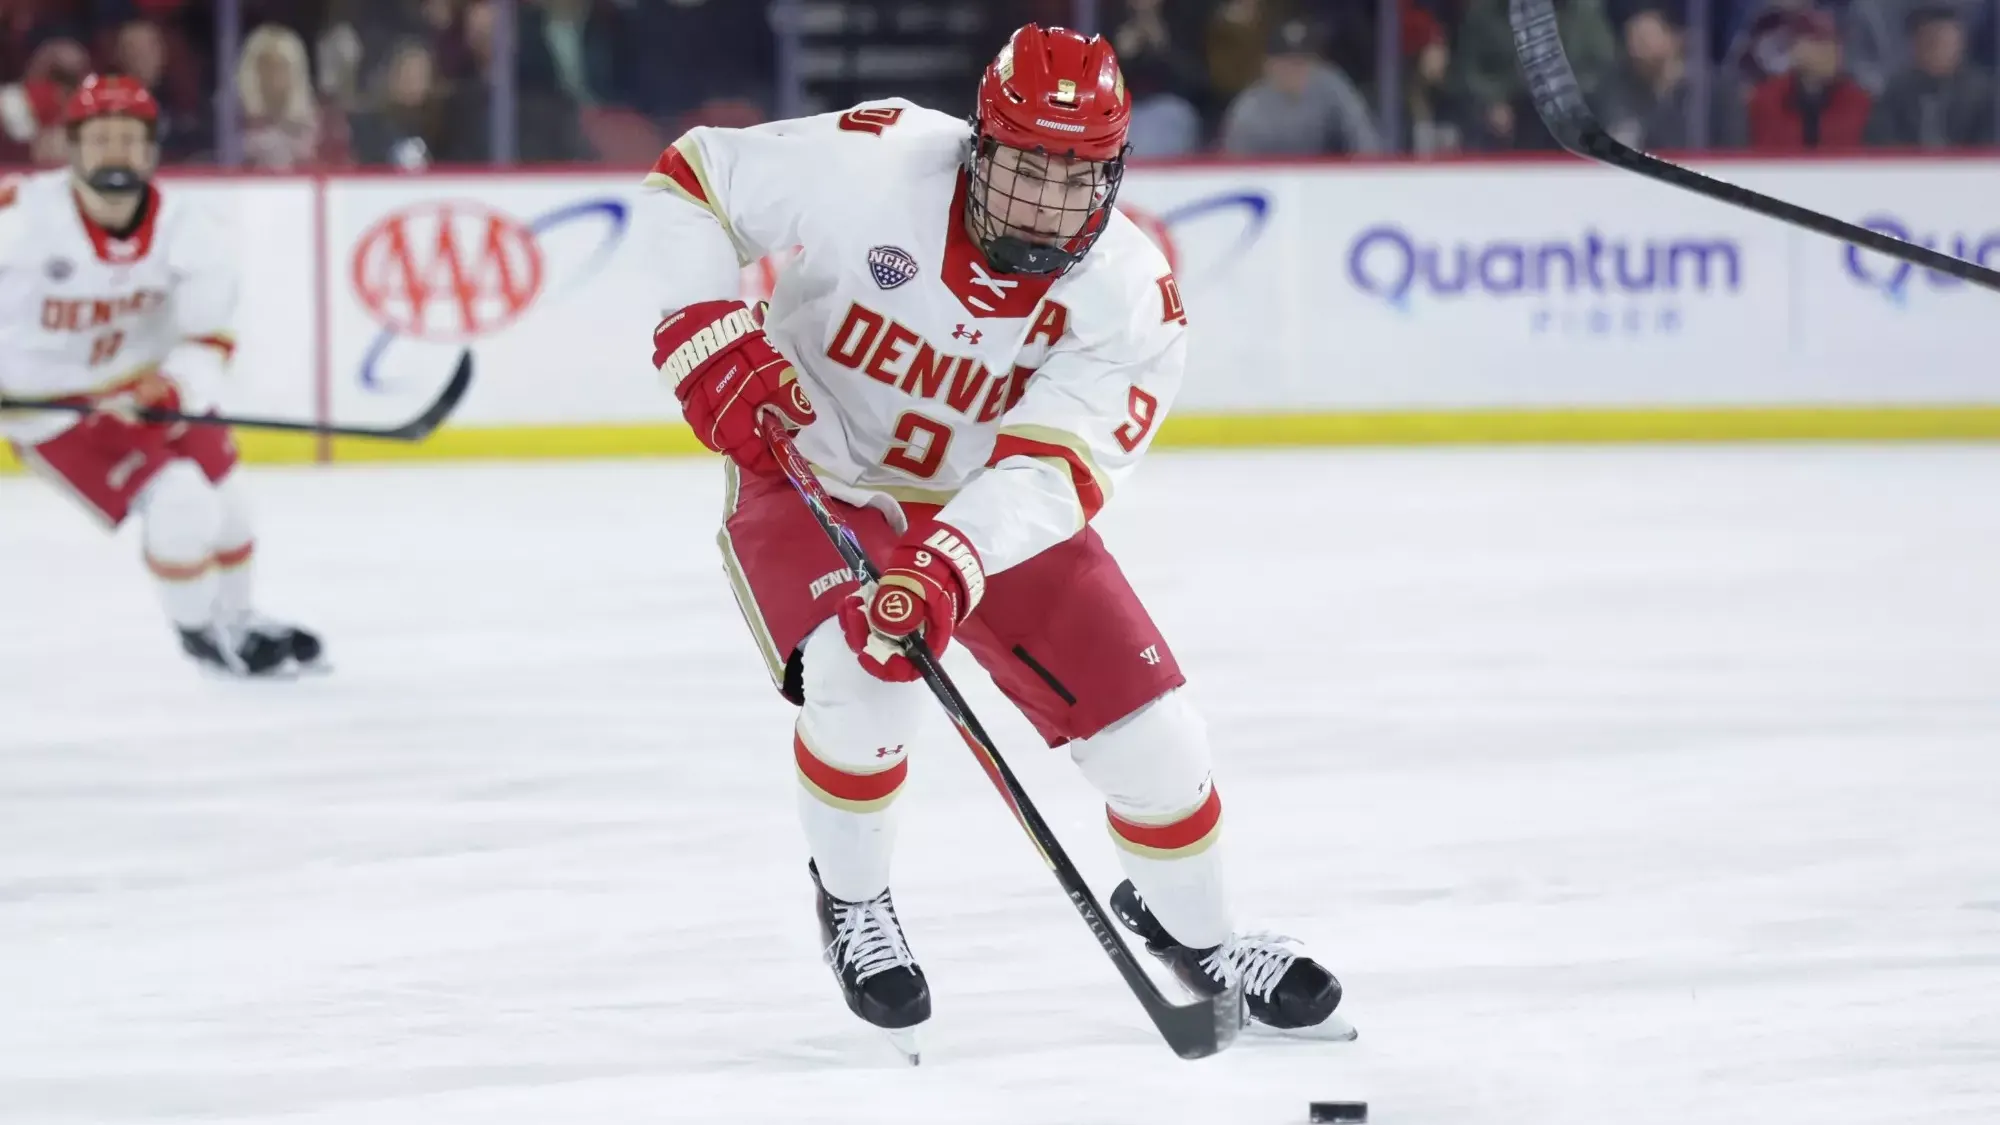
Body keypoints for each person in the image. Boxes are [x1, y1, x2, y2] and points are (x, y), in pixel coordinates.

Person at [636, 24, 1349, 1059]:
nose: (1047, 204)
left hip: (990, 505)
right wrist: (705, 328)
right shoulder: (877, 160)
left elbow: (1051, 471)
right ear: (979, 145)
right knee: (861, 678)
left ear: (1114, 174)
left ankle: (1201, 940)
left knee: (1159, 744)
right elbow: (693, 177)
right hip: (818, 468)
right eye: (1026, 169)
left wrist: (948, 559)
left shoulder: (1131, 296)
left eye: (1077, 178)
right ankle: (854, 900)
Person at [0, 76, 323, 678]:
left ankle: (240, 620)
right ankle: (202, 636)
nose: (116, 152)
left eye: (129, 139)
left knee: (232, 506)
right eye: (101, 139)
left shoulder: (189, 227)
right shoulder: (19, 218)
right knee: (181, 503)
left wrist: (169, 389)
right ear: (72, 147)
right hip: (49, 412)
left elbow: (210, 336)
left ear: (150, 149)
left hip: (151, 390)